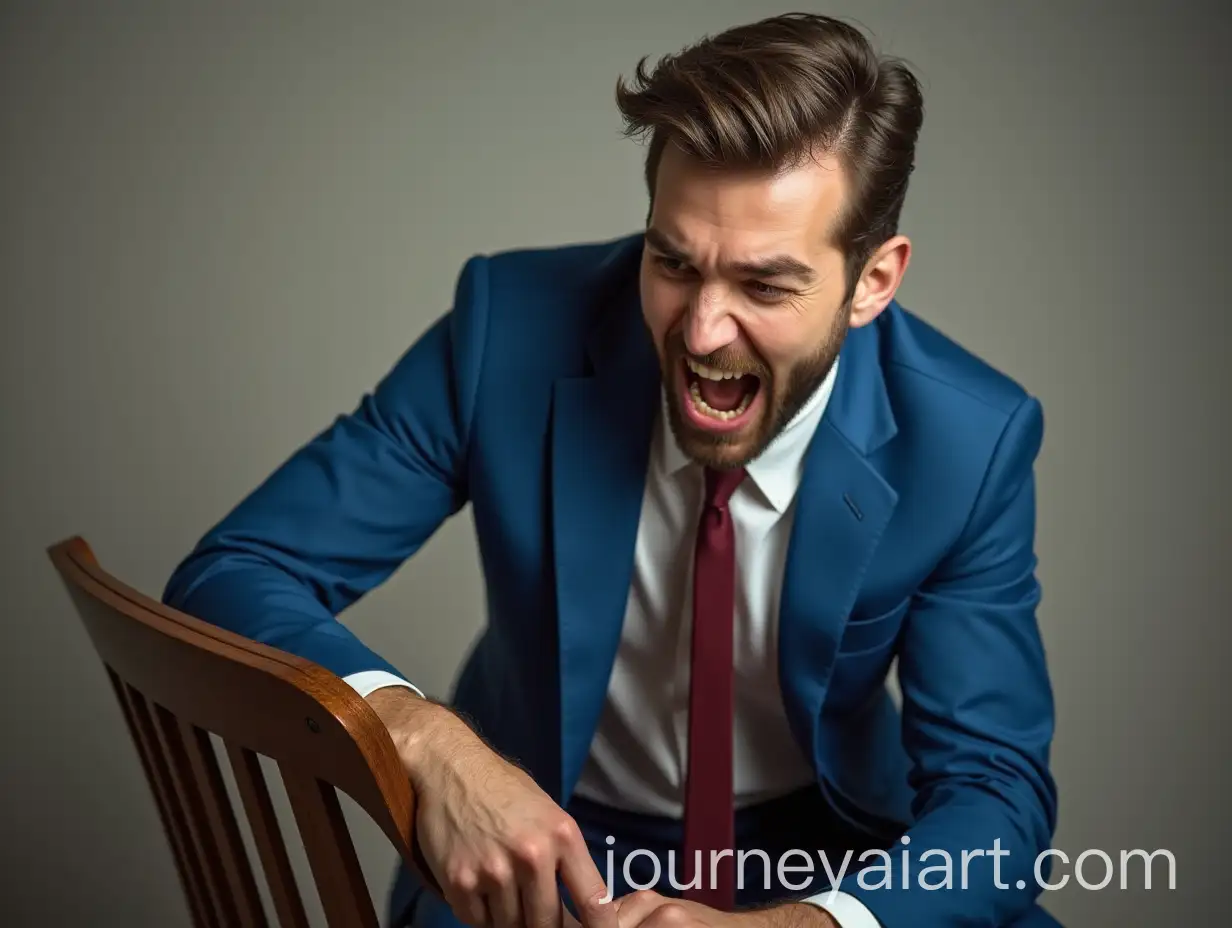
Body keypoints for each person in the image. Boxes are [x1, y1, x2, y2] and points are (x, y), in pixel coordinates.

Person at [162, 13, 1062, 928]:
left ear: (873, 280)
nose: (704, 331)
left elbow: (997, 792)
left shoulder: (968, 439)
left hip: (829, 856)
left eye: (763, 286)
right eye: (672, 261)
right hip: (544, 836)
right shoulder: (505, 330)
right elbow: (233, 574)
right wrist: (421, 737)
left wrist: (815, 923)